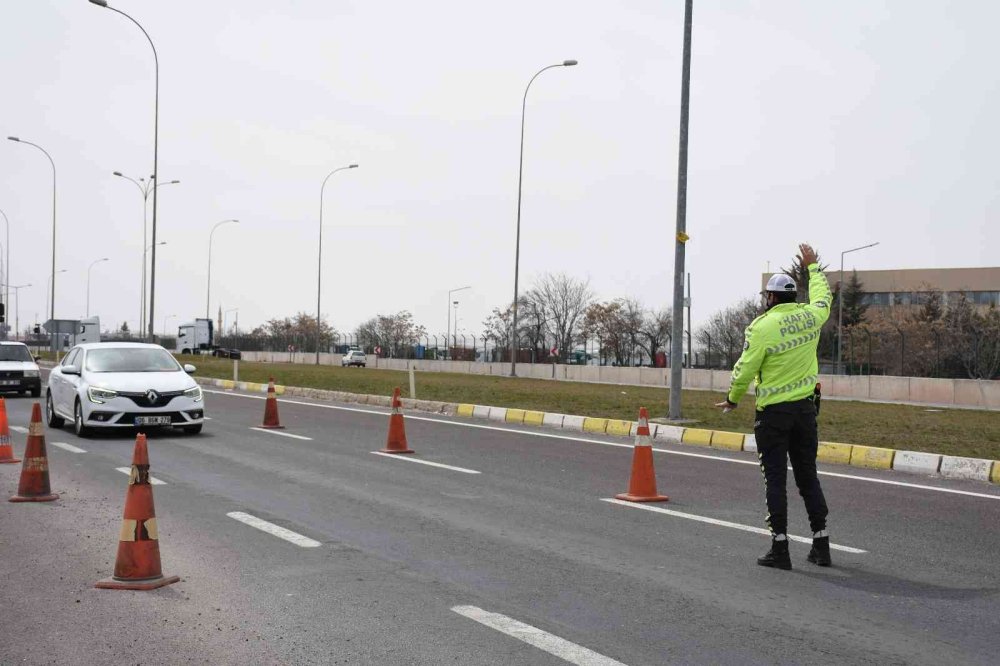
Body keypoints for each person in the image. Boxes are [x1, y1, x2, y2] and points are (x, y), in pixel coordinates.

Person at [715, 243, 833, 570]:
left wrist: (733, 398)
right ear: (794, 296)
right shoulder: (811, 317)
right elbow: (824, 298)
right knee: (808, 476)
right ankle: (821, 544)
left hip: (773, 417)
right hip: (806, 412)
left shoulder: (762, 327)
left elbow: (745, 368)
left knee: (776, 480)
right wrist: (813, 267)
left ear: (771, 298)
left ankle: (780, 548)